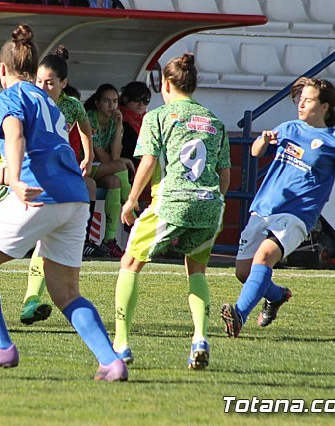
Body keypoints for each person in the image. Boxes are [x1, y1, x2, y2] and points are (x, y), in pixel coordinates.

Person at [0, 24, 127, 381]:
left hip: (40, 196)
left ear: (2, 69)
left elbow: (14, 137)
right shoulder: (48, 102)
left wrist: (13, 180)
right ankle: (111, 361)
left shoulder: (8, 98)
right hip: (75, 198)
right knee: (65, 292)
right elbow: (39, 159)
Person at [112, 53, 230, 370]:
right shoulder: (214, 121)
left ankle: (121, 344)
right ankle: (200, 339)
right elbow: (225, 176)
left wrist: (132, 199)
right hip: (211, 205)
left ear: (165, 83)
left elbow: (148, 161)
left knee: (130, 262)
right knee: (197, 270)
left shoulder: (159, 117)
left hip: (173, 201)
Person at [221, 77, 335, 338]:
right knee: (244, 272)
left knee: (263, 258)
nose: (301, 104)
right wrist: (264, 140)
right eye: (300, 99)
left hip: (297, 214)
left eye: (308, 100)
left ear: (325, 106)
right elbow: (255, 152)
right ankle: (276, 296)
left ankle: (238, 314)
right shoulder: (289, 128)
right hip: (265, 207)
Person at [20, 45, 104, 326]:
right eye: (39, 81)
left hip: (53, 178)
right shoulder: (29, 99)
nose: (43, 87)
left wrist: (89, 155)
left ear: (63, 84)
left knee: (46, 239)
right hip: (19, 174)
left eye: (50, 83)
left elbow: (84, 126)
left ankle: (30, 300)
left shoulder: (70, 105)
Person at [85, 83, 134, 257]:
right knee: (121, 166)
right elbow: (107, 159)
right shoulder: (90, 119)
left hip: (101, 169)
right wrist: (122, 162)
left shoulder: (114, 121)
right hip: (84, 167)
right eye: (106, 101)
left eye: (114, 101)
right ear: (97, 103)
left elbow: (113, 156)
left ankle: (109, 240)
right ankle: (131, 211)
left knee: (114, 181)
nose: (111, 105)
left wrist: (120, 127)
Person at [119, 81, 151, 168]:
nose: (141, 104)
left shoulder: (149, 120)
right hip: (124, 168)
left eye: (146, 101)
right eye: (137, 99)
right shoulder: (117, 118)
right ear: (125, 99)